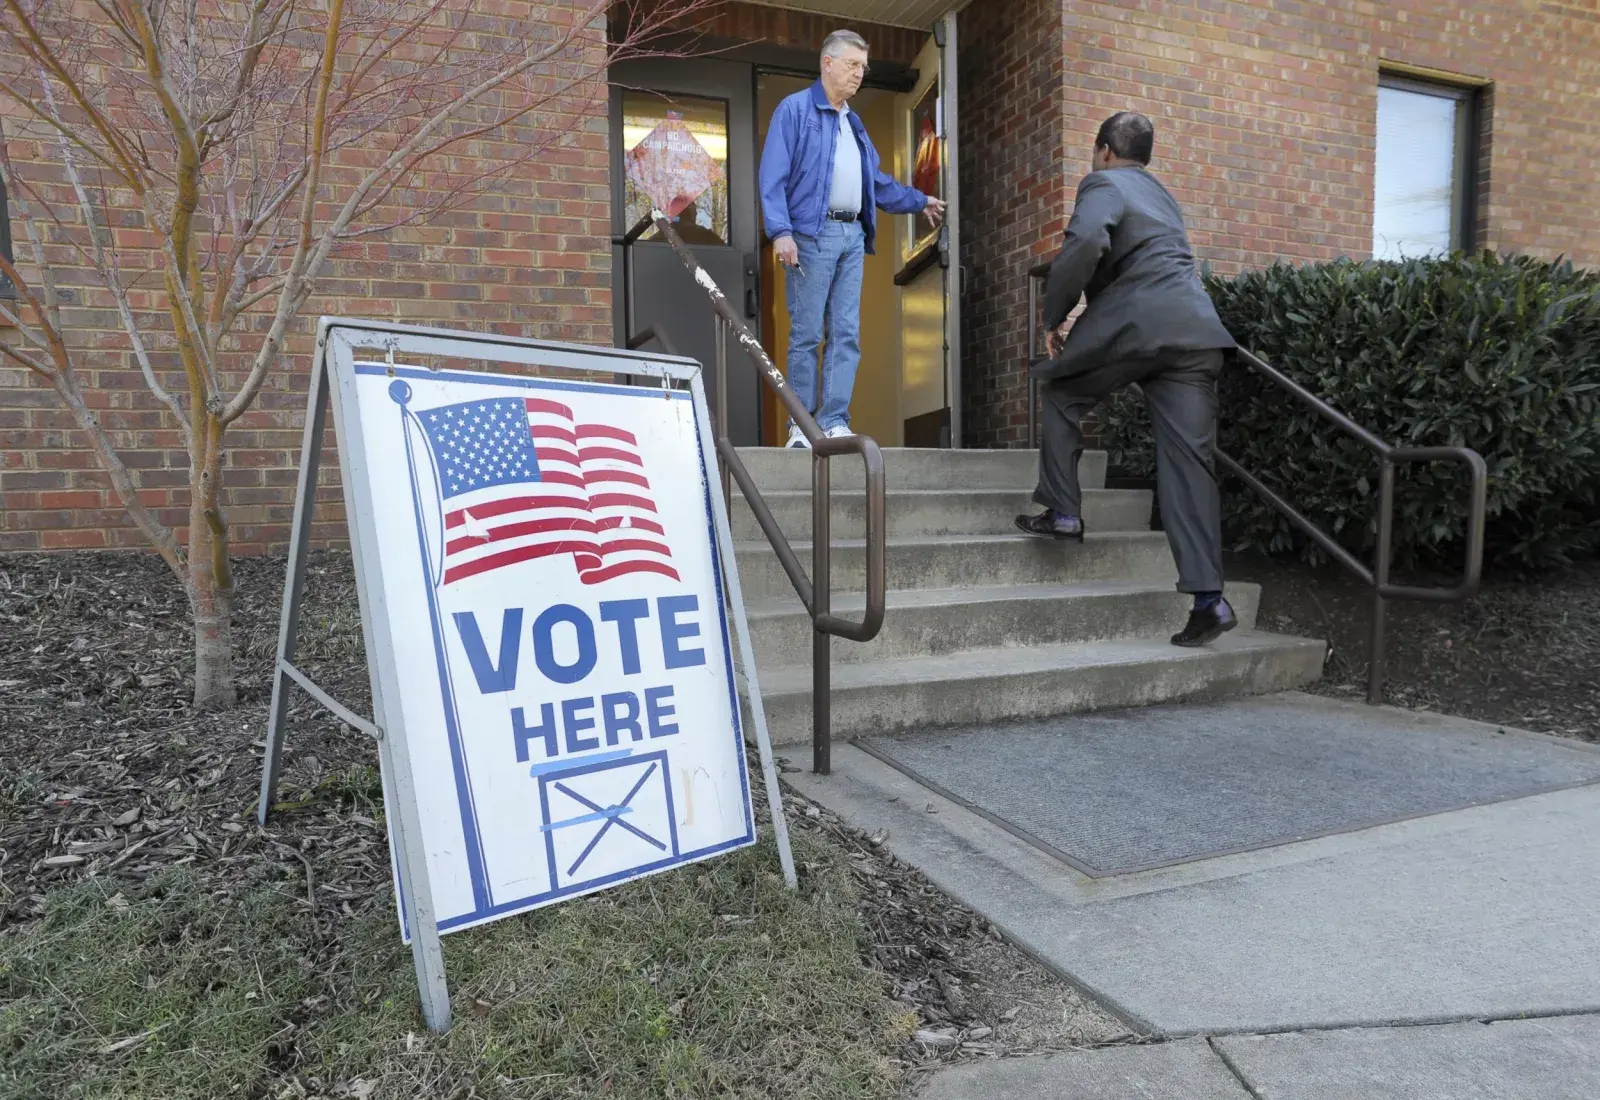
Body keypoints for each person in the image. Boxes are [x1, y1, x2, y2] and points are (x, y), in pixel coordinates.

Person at [1015, 111, 1239, 647]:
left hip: (1138, 327)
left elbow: (1086, 240)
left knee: (1062, 391)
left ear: (1105, 151)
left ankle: (1063, 511)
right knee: (1189, 466)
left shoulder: (1103, 183)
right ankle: (1209, 600)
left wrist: (1054, 316)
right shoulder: (1162, 196)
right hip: (1195, 335)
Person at [759, 29, 946, 448]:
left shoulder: (853, 123)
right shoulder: (795, 110)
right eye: (852, 65)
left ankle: (834, 421)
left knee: (846, 333)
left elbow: (874, 182)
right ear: (827, 63)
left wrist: (920, 201)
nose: (860, 73)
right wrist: (781, 232)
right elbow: (772, 176)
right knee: (807, 334)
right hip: (811, 234)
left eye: (864, 66)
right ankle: (801, 428)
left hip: (852, 235)